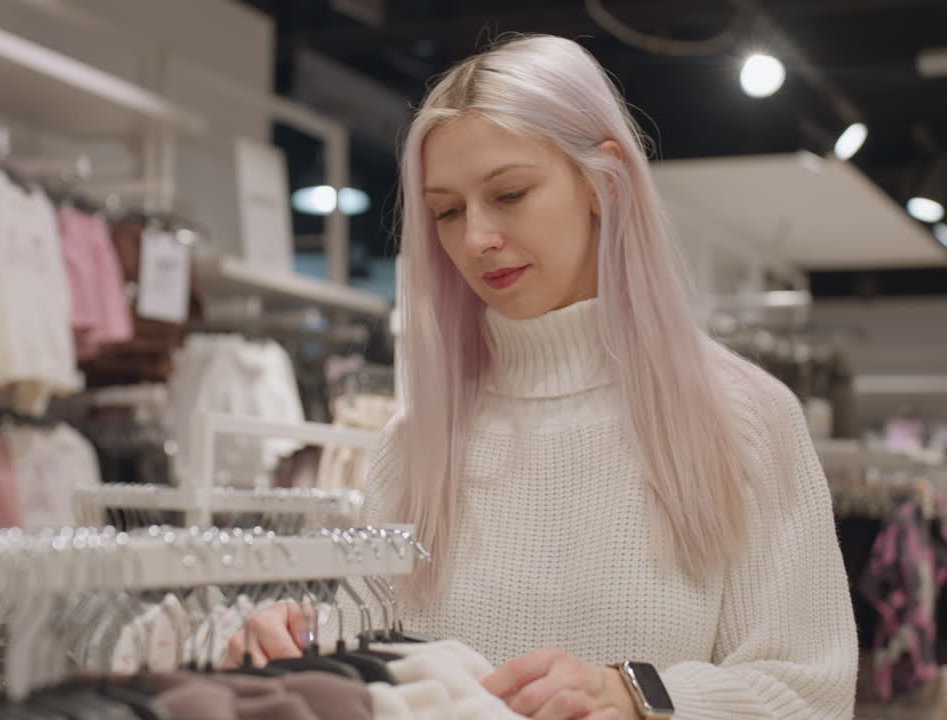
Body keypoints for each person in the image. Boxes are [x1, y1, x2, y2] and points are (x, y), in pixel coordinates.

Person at [226, 34, 857, 720]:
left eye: (510, 193)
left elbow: (808, 693)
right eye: (448, 211)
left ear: (602, 181)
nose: (475, 239)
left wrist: (637, 695)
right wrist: (303, 647)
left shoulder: (745, 419)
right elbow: (379, 666)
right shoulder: (417, 443)